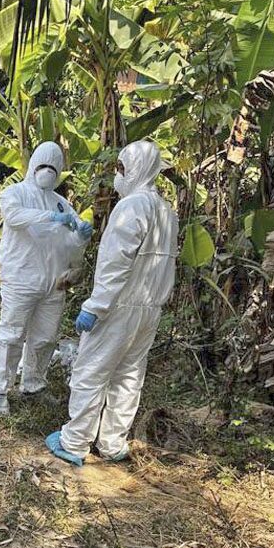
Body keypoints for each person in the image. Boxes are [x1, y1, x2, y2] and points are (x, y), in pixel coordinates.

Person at [46, 140, 179, 466]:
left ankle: (74, 441)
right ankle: (112, 442)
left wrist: (96, 306)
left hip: (119, 306)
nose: (117, 175)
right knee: (129, 375)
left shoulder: (132, 207)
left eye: (121, 169)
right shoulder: (165, 210)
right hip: (150, 308)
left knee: (91, 371)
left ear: (133, 170)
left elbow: (115, 262)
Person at [0, 142, 92, 415]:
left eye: (53, 168)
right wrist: (52, 217)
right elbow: (15, 217)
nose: (47, 172)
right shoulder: (15, 194)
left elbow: (70, 247)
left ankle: (33, 385)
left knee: (45, 338)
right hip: (21, 278)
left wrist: (80, 236)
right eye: (43, 166)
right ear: (33, 166)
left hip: (53, 283)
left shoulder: (63, 203)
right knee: (11, 334)